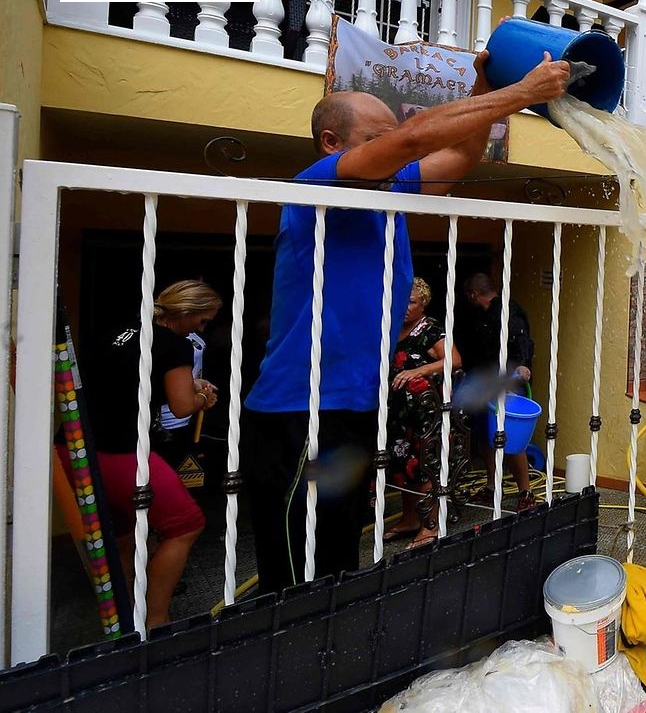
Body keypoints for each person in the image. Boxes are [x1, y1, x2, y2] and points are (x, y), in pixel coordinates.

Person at [242, 48, 570, 593]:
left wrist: (484, 85)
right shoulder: (317, 183)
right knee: (293, 581)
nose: (393, 149)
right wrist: (520, 94)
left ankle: (332, 663)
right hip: (299, 409)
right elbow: (415, 139)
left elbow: (461, 155)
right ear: (332, 144)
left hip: (351, 406)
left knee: (337, 561)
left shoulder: (389, 191)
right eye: (378, 140)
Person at [80, 280, 219, 626]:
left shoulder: (126, 329)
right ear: (184, 313)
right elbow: (183, 405)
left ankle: (125, 613)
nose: (200, 330)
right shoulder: (174, 344)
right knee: (186, 524)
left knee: (123, 531)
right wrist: (204, 398)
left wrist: (190, 384)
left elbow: (128, 380)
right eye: (201, 322)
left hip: (78, 449)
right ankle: (156, 619)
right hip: (122, 452)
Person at [384, 278, 465, 548]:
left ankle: (429, 527)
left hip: (426, 416)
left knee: (425, 468)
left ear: (423, 305)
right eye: (402, 301)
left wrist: (417, 371)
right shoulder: (394, 329)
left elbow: (454, 360)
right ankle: (409, 520)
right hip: (400, 413)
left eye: (412, 302)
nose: (406, 307)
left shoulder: (429, 329)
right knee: (402, 468)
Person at [458, 271, 537, 511]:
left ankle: (526, 492)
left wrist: (523, 364)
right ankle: (493, 487)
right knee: (486, 435)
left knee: (511, 439)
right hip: (484, 384)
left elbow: (522, 340)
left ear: (473, 294)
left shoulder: (508, 312)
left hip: (507, 384)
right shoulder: (479, 315)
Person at [152, 329, 206, 470]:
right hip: (166, 418)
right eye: (202, 320)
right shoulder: (169, 341)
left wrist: (195, 384)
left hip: (189, 413)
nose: (202, 327)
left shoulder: (189, 334)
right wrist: (204, 397)